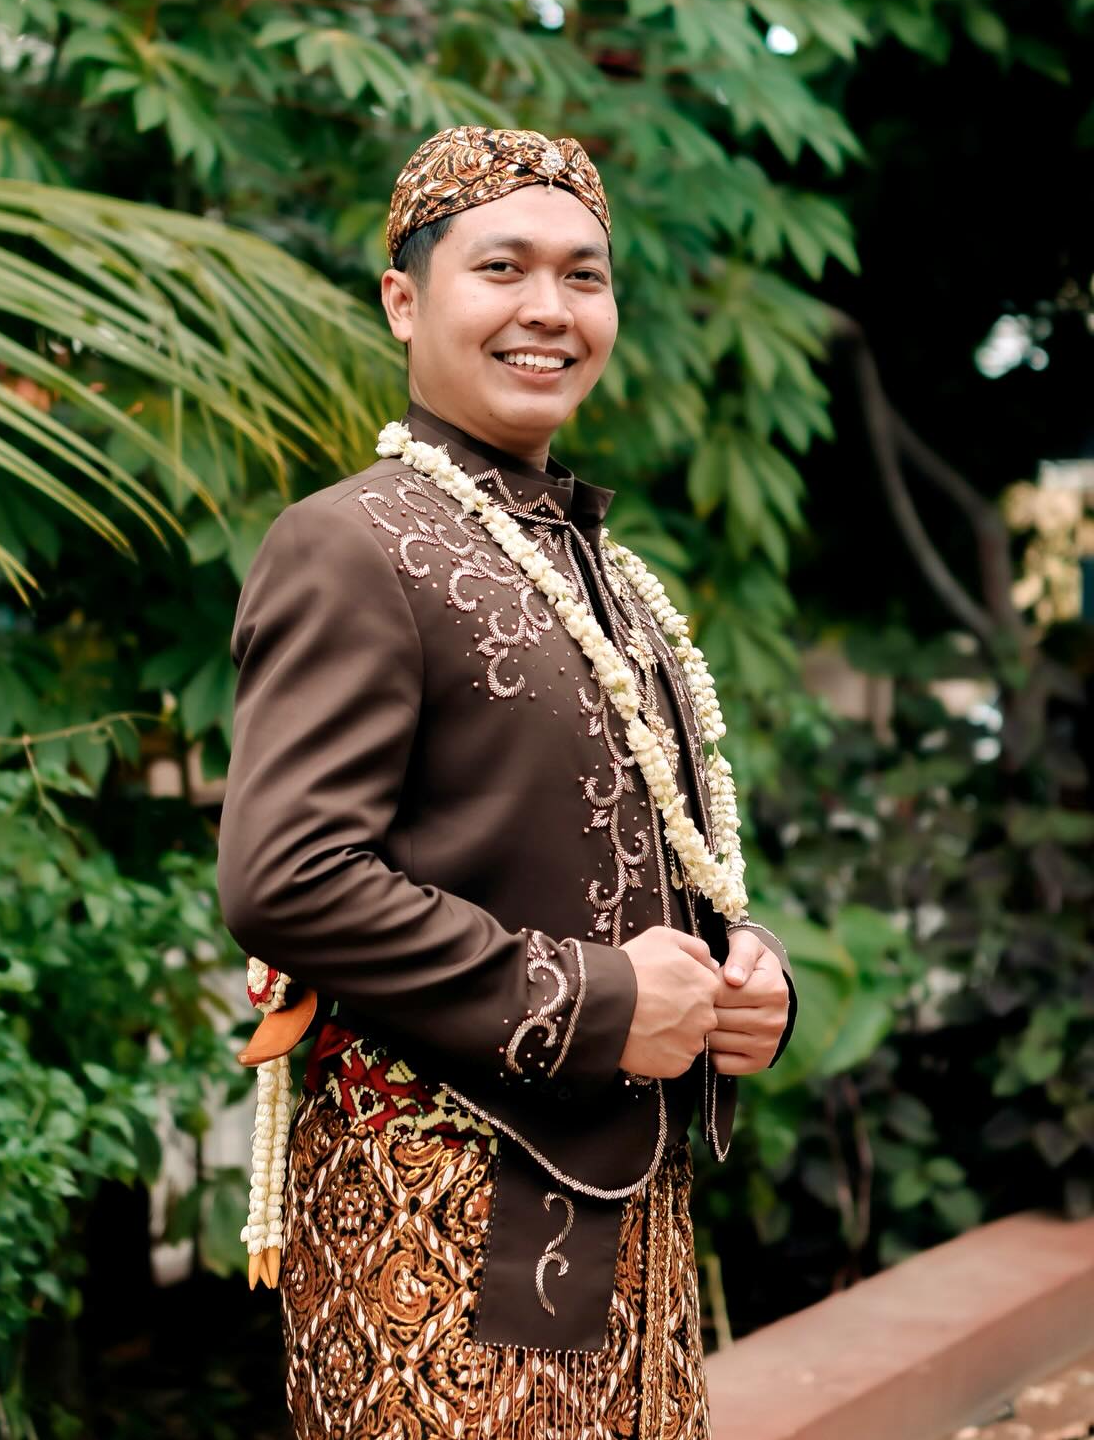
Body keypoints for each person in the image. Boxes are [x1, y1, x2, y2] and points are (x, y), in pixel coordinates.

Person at [216, 125, 797, 1440]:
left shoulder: (611, 575)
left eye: (584, 276)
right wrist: (601, 1002)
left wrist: (743, 972)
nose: (549, 308)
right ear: (403, 300)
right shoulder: (351, 544)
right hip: (433, 1233)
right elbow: (287, 880)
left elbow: (621, 860)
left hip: (629, 1233)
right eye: (502, 268)